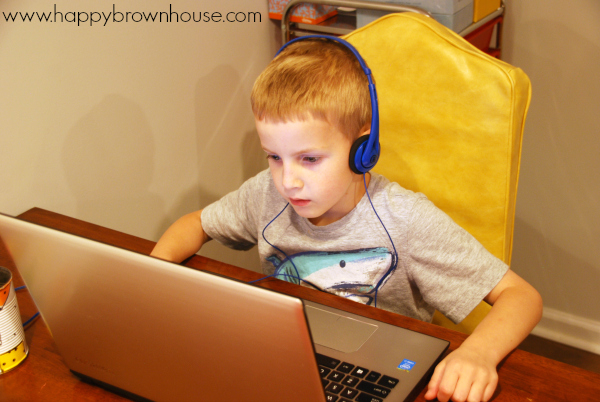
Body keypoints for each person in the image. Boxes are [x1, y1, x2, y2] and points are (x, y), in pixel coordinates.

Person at [151, 37, 542, 402]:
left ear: (363, 148)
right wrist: (154, 280)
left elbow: (521, 298)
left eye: (309, 159)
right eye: (274, 157)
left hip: (379, 369)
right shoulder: (264, 194)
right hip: (280, 354)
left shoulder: (405, 219)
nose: (288, 181)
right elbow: (195, 224)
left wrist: (478, 353)